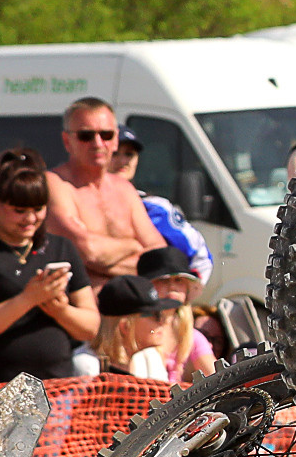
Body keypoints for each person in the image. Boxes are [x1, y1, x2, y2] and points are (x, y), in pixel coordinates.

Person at [0, 150, 99, 386]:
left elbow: (90, 327)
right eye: (19, 211)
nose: (30, 219)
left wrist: (60, 310)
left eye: (38, 209)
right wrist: (29, 298)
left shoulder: (61, 248)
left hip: (53, 390)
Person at [47, 98, 165, 283]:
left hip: (137, 304)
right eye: (86, 136)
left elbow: (159, 255)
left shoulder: (125, 189)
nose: (97, 143)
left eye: (106, 135)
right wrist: (133, 245)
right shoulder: (55, 184)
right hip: (88, 307)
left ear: (116, 139)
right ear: (67, 141)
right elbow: (88, 251)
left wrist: (103, 264)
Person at [108, 129, 214, 282]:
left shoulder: (155, 208)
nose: (122, 160)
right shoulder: (77, 203)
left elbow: (200, 255)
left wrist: (186, 295)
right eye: (115, 153)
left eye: (129, 154)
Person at [135, 245, 215, 383]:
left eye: (178, 280)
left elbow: (216, 377)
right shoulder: (133, 327)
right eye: (163, 280)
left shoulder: (193, 337)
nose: (172, 287)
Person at [95, 275, 188, 380]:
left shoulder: (150, 361)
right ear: (125, 326)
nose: (162, 321)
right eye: (155, 315)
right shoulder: (89, 367)